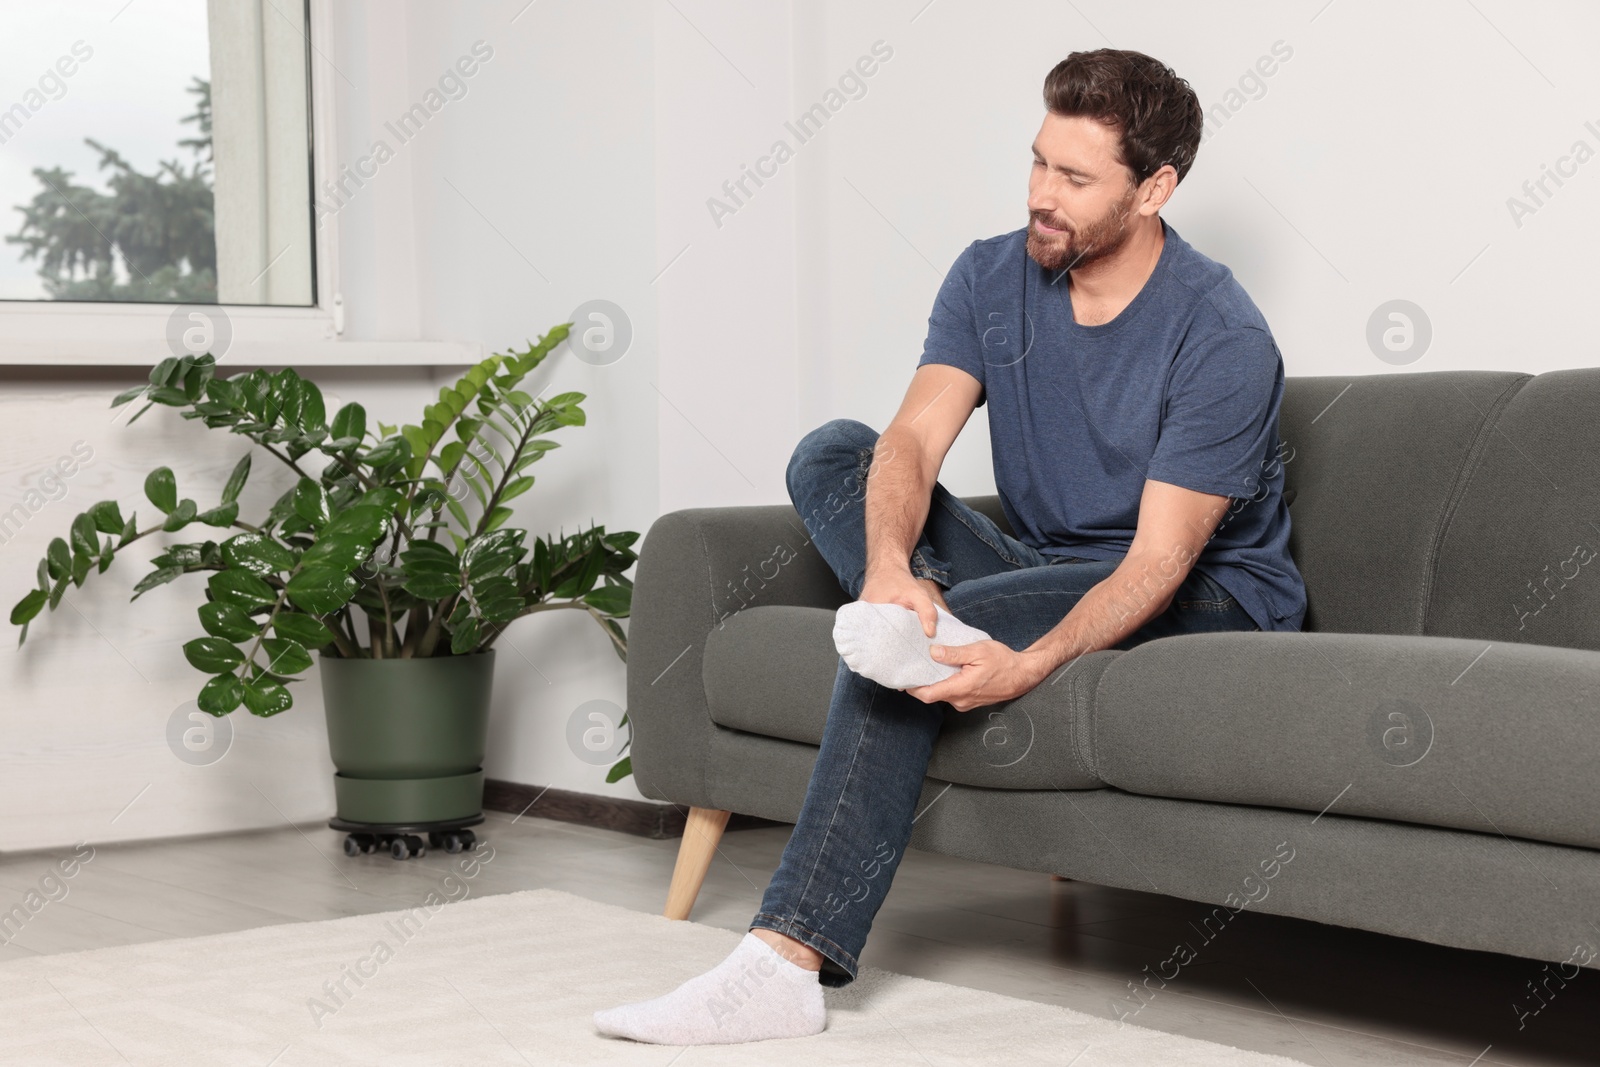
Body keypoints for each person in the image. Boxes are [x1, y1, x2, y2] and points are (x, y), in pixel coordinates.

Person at [595, 46, 1307, 1046]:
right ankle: (924, 622)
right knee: (833, 455)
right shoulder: (990, 273)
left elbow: (1156, 563)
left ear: (1154, 189)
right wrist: (892, 575)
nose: (1040, 197)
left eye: (1073, 177)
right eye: (1036, 162)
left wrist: (1031, 654)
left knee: (908, 653)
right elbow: (913, 441)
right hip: (1039, 561)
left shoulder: (1220, 331)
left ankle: (785, 962)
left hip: (1209, 597)